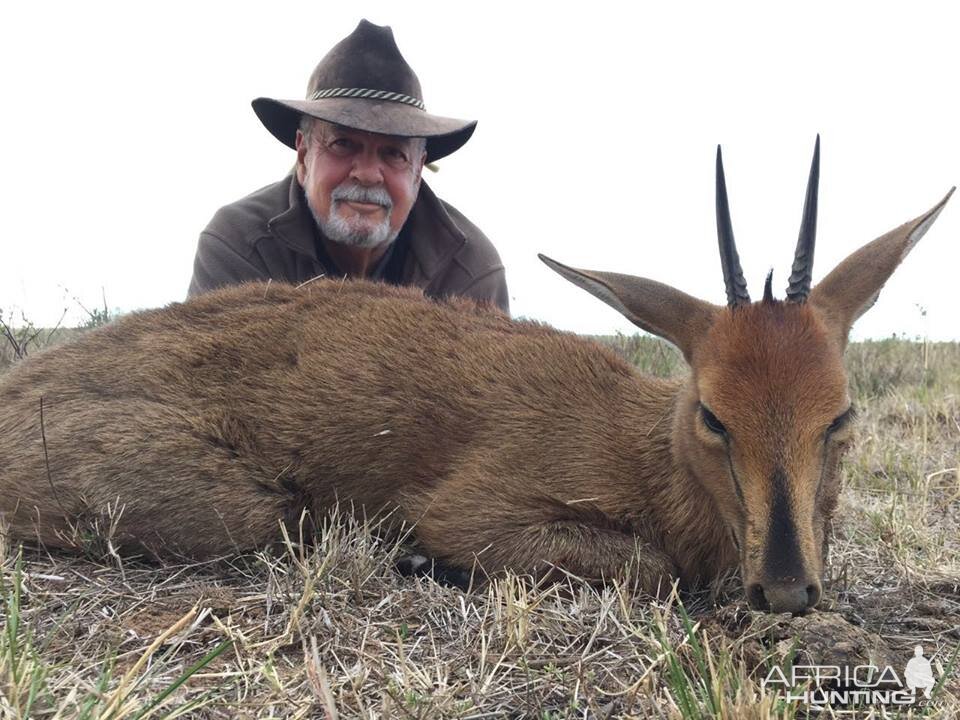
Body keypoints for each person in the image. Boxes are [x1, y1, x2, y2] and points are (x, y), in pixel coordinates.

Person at [188, 19, 509, 312]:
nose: (368, 175)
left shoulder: (470, 270)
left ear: (418, 169)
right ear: (303, 155)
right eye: (342, 144)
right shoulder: (240, 243)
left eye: (394, 153)